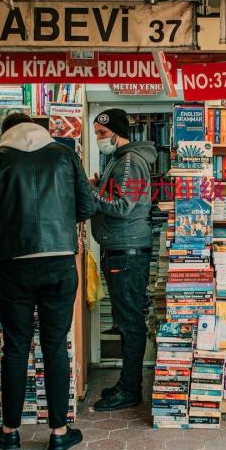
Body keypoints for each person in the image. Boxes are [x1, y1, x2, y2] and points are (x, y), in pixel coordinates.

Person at [0, 113, 94, 450]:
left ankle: (9, 430)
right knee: (54, 345)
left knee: (15, 347)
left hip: (14, 264)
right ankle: (59, 431)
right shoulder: (64, 155)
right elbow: (85, 207)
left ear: (5, 133)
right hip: (59, 262)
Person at [89, 108, 156, 412]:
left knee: (130, 323)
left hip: (127, 251)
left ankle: (130, 389)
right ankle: (126, 383)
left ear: (116, 132)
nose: (99, 139)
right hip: (122, 249)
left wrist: (90, 196)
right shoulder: (120, 160)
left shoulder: (129, 161)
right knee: (126, 320)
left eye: (102, 134)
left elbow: (124, 205)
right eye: (97, 135)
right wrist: (98, 187)